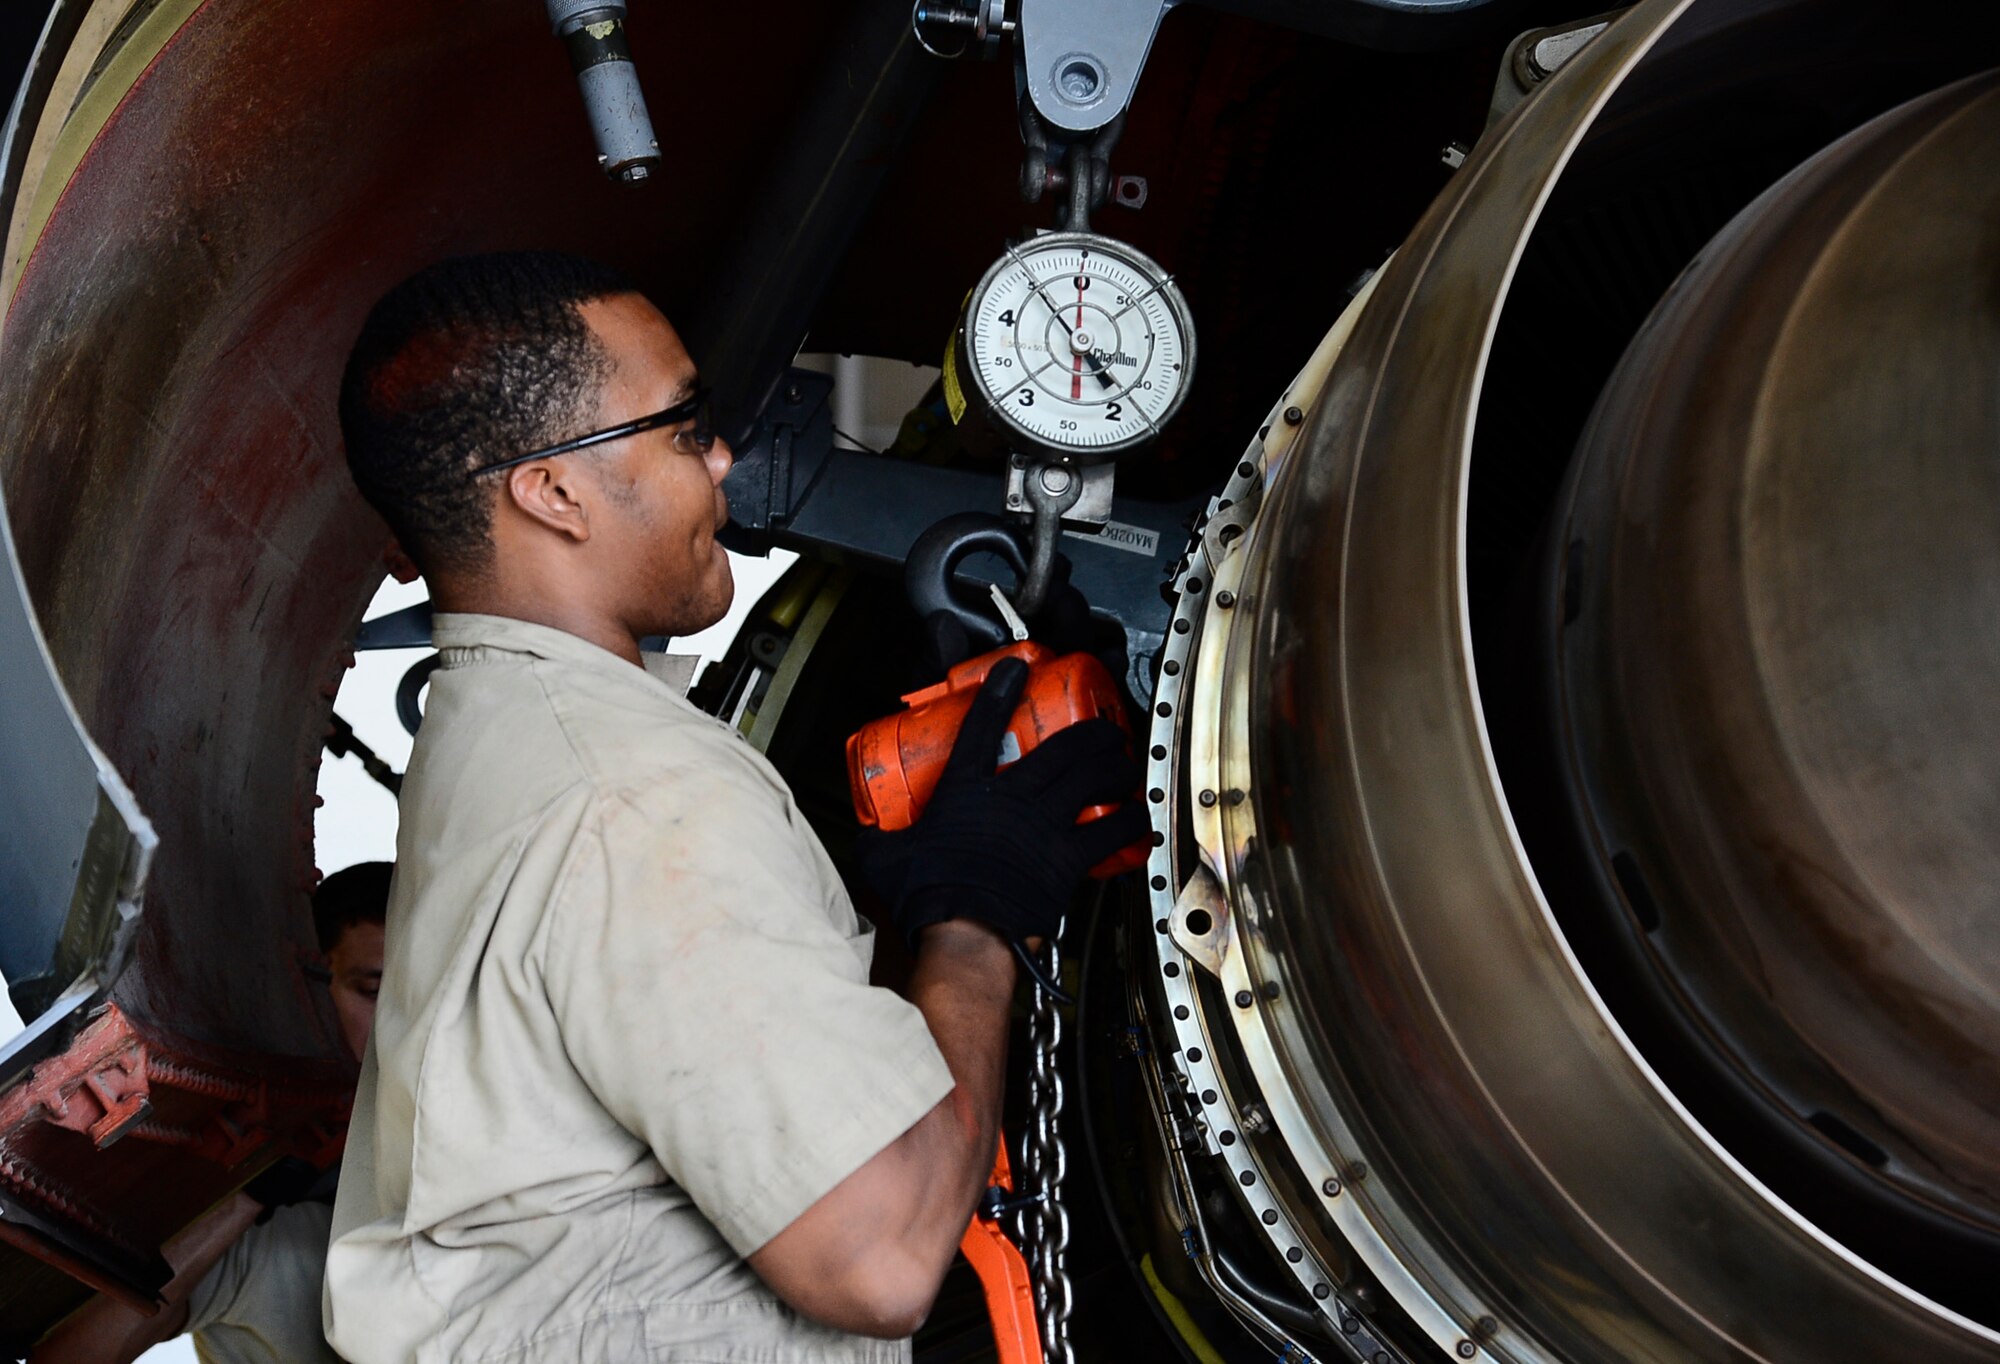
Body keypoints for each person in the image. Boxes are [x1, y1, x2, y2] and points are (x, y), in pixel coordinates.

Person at [321, 251, 1143, 1363]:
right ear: (551, 490)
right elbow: (881, 1252)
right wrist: (976, 918)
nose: (721, 457)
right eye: (678, 425)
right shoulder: (630, 795)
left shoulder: (498, 742)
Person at [29, 862, 391, 1364]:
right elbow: (74, 1354)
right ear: (310, 993)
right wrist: (254, 1191)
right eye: (374, 992)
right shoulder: (269, 1226)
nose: (402, 1015)